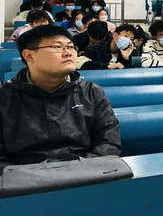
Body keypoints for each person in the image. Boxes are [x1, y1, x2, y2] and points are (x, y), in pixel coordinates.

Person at [0, 25, 120, 169]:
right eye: (57, 47)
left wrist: (78, 172)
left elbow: (109, 143)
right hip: (24, 179)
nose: (68, 53)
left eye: (70, 47)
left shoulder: (91, 92)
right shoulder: (5, 98)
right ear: (29, 56)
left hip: (84, 175)